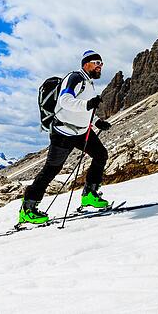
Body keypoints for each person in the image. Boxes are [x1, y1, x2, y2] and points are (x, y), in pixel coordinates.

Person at [19, 50, 113, 224]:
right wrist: (88, 104)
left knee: (101, 155)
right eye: (96, 63)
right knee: (52, 169)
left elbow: (84, 111)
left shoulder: (89, 83)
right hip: (64, 132)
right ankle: (28, 208)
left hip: (82, 131)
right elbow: (65, 101)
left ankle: (89, 195)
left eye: (101, 63)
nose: (100, 66)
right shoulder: (75, 78)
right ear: (86, 64)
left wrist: (97, 122)